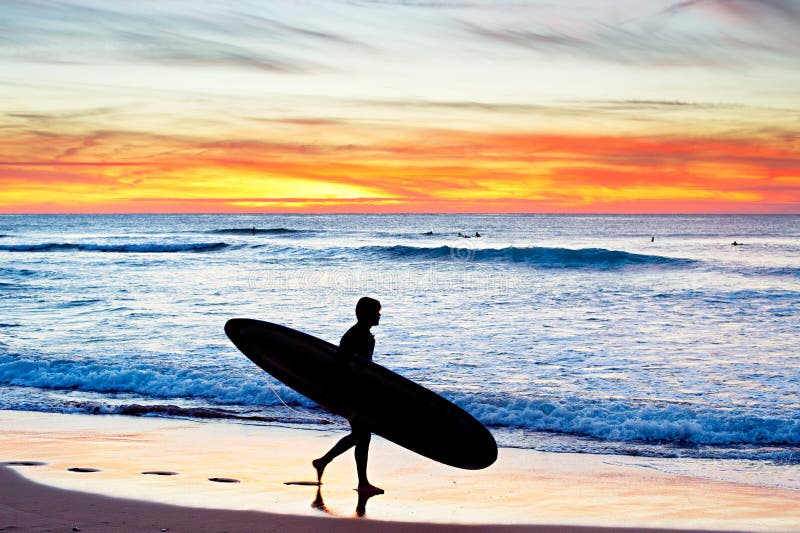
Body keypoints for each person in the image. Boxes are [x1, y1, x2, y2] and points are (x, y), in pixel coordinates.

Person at [312, 297, 384, 494]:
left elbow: (364, 368)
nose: (379, 315)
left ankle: (326, 463)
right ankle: (330, 465)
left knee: (361, 436)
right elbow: (342, 367)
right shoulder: (356, 336)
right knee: (362, 435)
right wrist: (340, 398)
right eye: (376, 311)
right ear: (365, 314)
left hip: (357, 392)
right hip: (352, 393)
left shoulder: (364, 335)